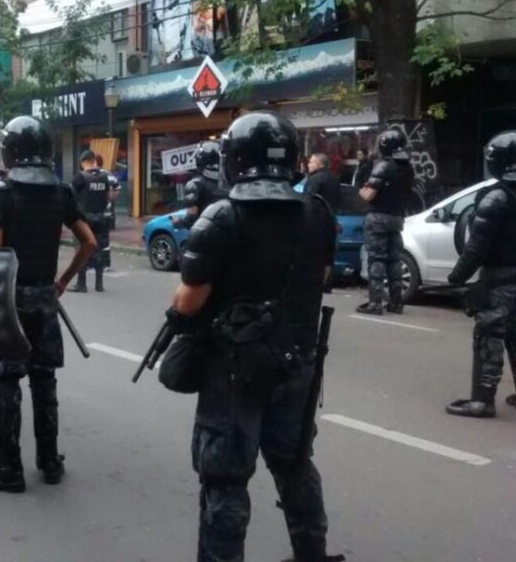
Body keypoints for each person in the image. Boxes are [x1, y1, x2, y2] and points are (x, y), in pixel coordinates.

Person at [166, 112, 337, 561]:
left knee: (224, 479)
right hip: (296, 364)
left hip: (233, 371)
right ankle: (312, 554)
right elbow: (319, 278)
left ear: (235, 159)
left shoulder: (221, 216)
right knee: (295, 465)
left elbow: (188, 301)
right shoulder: (317, 213)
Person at [0, 116, 97, 493]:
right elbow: (89, 242)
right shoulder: (62, 193)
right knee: (45, 381)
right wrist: (62, 281)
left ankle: (10, 467)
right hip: (45, 298)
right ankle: (49, 462)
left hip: (9, 300)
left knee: (8, 380)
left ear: (9, 150)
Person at [445, 131, 516, 418]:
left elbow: (476, 246)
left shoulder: (497, 197)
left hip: (500, 280)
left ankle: (483, 399)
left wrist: (457, 277)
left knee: (489, 336)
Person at [356, 129, 415, 316]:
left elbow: (368, 194)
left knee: (376, 258)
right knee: (394, 259)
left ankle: (375, 302)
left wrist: (361, 190)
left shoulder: (383, 166)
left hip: (378, 216)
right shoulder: (408, 168)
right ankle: (396, 302)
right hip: (397, 217)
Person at [70, 150, 112, 292]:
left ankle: (81, 284)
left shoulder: (80, 178)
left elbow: (70, 197)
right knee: (99, 249)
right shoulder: (104, 177)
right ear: (93, 160)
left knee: (82, 249)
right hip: (100, 218)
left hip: (84, 218)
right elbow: (107, 197)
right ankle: (99, 285)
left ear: (83, 162)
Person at [174, 140, 227, 231]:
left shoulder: (194, 185)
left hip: (204, 237)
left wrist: (177, 222)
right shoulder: (229, 182)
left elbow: (190, 220)